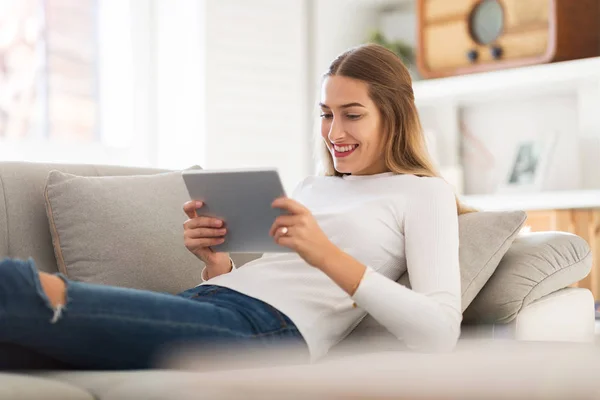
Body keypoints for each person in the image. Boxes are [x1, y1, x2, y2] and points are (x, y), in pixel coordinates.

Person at [0, 44, 473, 370]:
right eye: (326, 114)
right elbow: (273, 277)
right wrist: (217, 265)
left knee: (19, 289)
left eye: (352, 115)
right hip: (211, 303)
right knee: (14, 346)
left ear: (395, 114)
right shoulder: (312, 186)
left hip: (266, 331)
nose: (333, 133)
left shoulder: (421, 192)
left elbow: (438, 332)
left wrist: (325, 253)